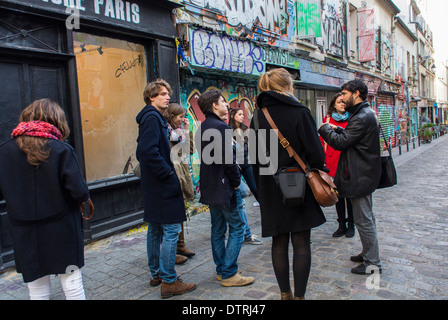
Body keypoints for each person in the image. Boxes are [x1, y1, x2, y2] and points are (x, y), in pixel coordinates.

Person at [0, 98, 90, 300]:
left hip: (24, 230)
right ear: (57, 121)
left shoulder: (4, 151)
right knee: (72, 282)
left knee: (37, 288)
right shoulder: (62, 150)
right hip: (62, 228)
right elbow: (80, 193)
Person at [251, 68, 327, 300]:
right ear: (287, 86)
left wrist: (262, 189)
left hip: (271, 185)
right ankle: (299, 297)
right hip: (299, 184)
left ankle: (285, 294)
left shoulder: (258, 115)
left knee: (279, 241)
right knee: (302, 242)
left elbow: (255, 158)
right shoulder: (300, 111)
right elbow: (316, 154)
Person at [136, 79, 197, 298]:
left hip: (155, 185)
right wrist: (168, 174)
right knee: (170, 230)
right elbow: (146, 152)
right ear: (151, 97)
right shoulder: (152, 118)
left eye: (167, 93)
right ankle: (169, 280)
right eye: (162, 93)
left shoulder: (151, 118)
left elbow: (142, 151)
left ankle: (157, 274)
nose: (167, 96)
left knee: (155, 229)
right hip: (162, 185)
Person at [319, 79, 382, 275]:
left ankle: (373, 263)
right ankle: (368, 253)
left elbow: (341, 143)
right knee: (366, 218)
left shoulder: (361, 116)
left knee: (364, 220)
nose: (343, 98)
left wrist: (326, 129)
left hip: (360, 174)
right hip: (364, 173)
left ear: (356, 94)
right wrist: (341, 129)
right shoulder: (364, 113)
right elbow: (355, 138)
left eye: (345, 93)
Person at [195, 89, 255, 287]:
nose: (226, 104)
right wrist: (237, 182)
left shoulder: (204, 126)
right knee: (237, 228)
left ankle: (222, 270)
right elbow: (228, 159)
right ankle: (229, 272)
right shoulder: (221, 127)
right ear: (214, 105)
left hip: (211, 186)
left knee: (218, 230)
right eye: (222, 101)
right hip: (225, 186)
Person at [319, 93, 355, 238]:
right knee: (337, 195)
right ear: (333, 104)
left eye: (344, 102)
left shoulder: (353, 118)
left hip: (348, 160)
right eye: (339, 102)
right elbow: (322, 141)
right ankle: (341, 224)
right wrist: (323, 160)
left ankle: (351, 225)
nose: (342, 104)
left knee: (350, 196)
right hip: (332, 161)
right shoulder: (327, 119)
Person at [164, 103, 196, 259]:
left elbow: (190, 150)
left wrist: (186, 130)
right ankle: (172, 250)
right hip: (173, 176)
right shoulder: (165, 132)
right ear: (171, 116)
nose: (182, 119)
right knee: (173, 215)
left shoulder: (178, 132)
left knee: (181, 211)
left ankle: (180, 245)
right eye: (180, 116)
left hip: (182, 174)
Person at [228, 108, 262, 245]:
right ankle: (242, 229)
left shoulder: (245, 128)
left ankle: (266, 211)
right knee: (238, 192)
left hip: (246, 163)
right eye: (239, 114)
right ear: (232, 116)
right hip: (235, 165)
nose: (242, 117)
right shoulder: (228, 130)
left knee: (255, 187)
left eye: (243, 114)